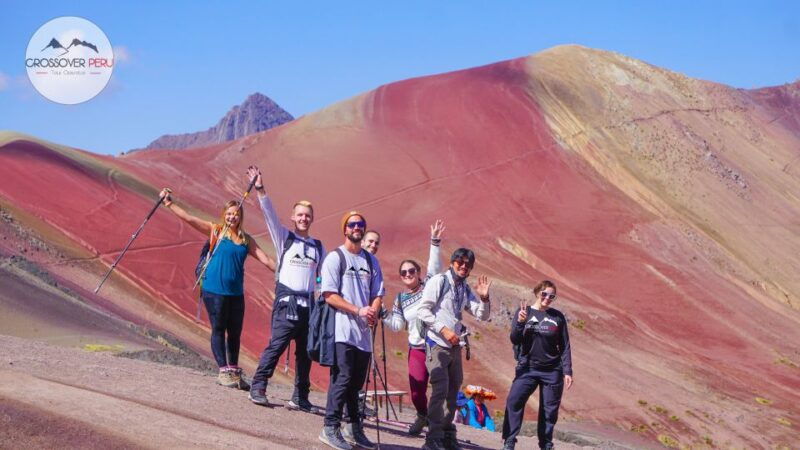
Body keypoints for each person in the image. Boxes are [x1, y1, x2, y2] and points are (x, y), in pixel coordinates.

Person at [159, 188, 276, 389]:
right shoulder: (216, 230)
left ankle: (233, 370)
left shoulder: (247, 240)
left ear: (240, 217)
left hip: (236, 293)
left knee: (235, 332)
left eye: (236, 214)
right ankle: (223, 371)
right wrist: (169, 204)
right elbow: (189, 218)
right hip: (214, 290)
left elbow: (266, 259)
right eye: (229, 214)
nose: (232, 217)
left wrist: (287, 272)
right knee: (219, 329)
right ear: (224, 215)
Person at [245, 166, 325, 411]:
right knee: (277, 344)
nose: (303, 218)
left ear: (312, 218)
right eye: (300, 215)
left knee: (306, 353)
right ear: (293, 217)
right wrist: (260, 189)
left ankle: (300, 396)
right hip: (286, 303)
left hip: (308, 307)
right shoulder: (284, 238)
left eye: (307, 215)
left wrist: (321, 292)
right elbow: (269, 215)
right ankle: (258, 385)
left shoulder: (318, 247)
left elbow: (323, 275)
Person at [318, 212, 384, 450]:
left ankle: (353, 428)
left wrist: (373, 311)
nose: (357, 228)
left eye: (361, 225)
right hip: (342, 330)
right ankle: (330, 427)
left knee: (356, 384)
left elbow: (378, 293)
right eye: (352, 224)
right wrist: (358, 310)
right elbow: (328, 295)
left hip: (363, 334)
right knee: (342, 378)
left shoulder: (370, 261)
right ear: (345, 229)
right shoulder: (335, 258)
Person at [417, 248, 492, 450]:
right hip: (437, 344)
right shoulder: (439, 281)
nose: (464, 266)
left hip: (455, 347)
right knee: (440, 391)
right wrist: (443, 330)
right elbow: (423, 310)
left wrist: (484, 299)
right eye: (460, 262)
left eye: (468, 264)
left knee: (453, 392)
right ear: (452, 262)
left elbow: (482, 315)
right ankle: (432, 438)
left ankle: (447, 435)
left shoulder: (464, 288)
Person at [382, 219, 445, 435]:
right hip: (416, 348)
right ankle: (423, 416)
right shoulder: (400, 299)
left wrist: (434, 241)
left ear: (418, 272)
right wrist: (383, 314)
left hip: (436, 345)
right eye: (404, 273)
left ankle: (440, 428)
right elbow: (397, 325)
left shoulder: (429, 285)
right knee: (417, 391)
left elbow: (435, 267)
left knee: (439, 389)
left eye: (411, 271)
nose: (408, 275)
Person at [501, 280, 573, 450]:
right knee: (514, 401)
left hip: (552, 370)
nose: (547, 298)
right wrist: (520, 322)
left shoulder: (557, 317)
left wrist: (568, 370)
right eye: (544, 294)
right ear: (537, 293)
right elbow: (515, 339)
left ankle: (546, 445)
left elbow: (565, 345)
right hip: (528, 368)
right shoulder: (524, 311)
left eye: (551, 296)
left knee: (549, 410)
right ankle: (509, 441)